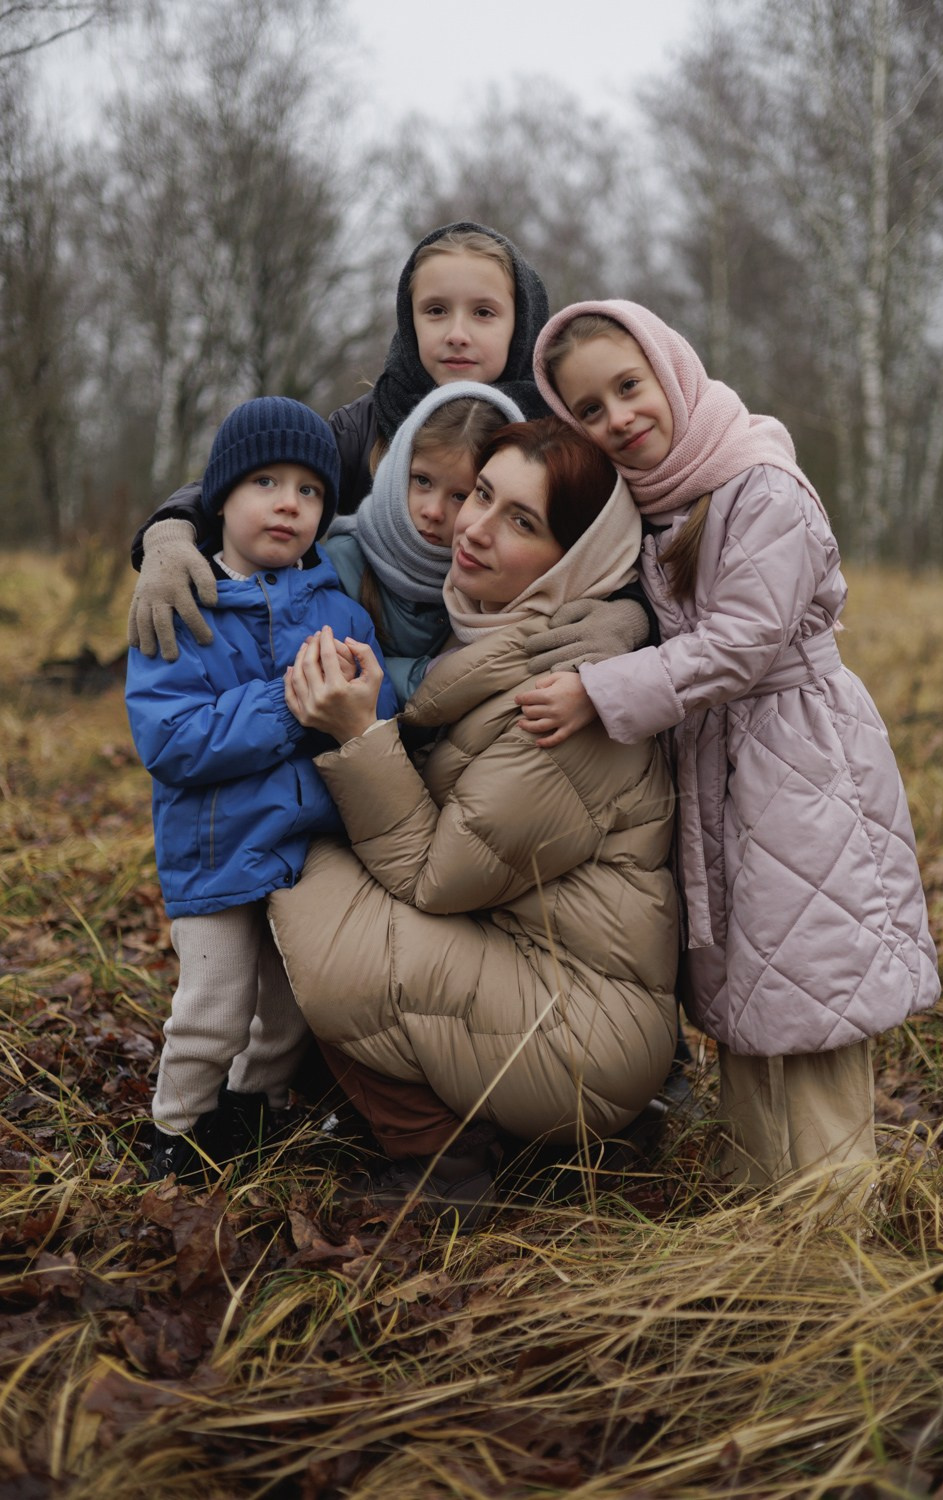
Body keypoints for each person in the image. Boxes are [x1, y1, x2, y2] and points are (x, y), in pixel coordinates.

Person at [521, 300, 941, 1209]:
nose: (619, 419)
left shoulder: (758, 482)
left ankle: (833, 1237)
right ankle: (764, 1208)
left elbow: (746, 638)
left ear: (670, 371)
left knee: (813, 984)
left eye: (629, 388)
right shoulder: (654, 501)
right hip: (719, 756)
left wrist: (601, 692)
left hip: (798, 753)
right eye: (589, 411)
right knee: (755, 989)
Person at [269, 417, 681, 1227]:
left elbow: (435, 878)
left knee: (298, 885)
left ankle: (441, 1169)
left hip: (583, 1033)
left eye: (521, 522)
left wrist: (359, 736)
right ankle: (488, 1135)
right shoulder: (505, 637)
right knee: (298, 860)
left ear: (576, 561)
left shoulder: (566, 699)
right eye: (481, 495)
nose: (475, 528)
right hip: (541, 981)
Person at [125, 397, 397, 1182]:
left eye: (311, 491)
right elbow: (171, 740)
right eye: (266, 483)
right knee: (212, 1009)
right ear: (221, 498)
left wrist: (362, 704)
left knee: (285, 1017)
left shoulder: (340, 611)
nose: (290, 502)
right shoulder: (185, 604)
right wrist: (287, 702)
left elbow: (374, 719)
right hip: (215, 855)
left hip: (306, 853)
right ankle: (174, 1136)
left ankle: (252, 1119)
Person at [127, 222, 551, 663]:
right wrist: (172, 531)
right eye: (436, 310)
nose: (457, 333)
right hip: (358, 669)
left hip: (503, 665)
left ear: (521, 324)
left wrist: (621, 616)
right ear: (409, 321)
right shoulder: (365, 425)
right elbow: (253, 475)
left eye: (484, 313)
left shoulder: (552, 435)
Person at [324, 380, 523, 704]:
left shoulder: (492, 579)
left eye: (461, 495)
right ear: (399, 465)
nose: (432, 511)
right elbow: (335, 673)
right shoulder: (343, 558)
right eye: (422, 480)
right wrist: (427, 675)